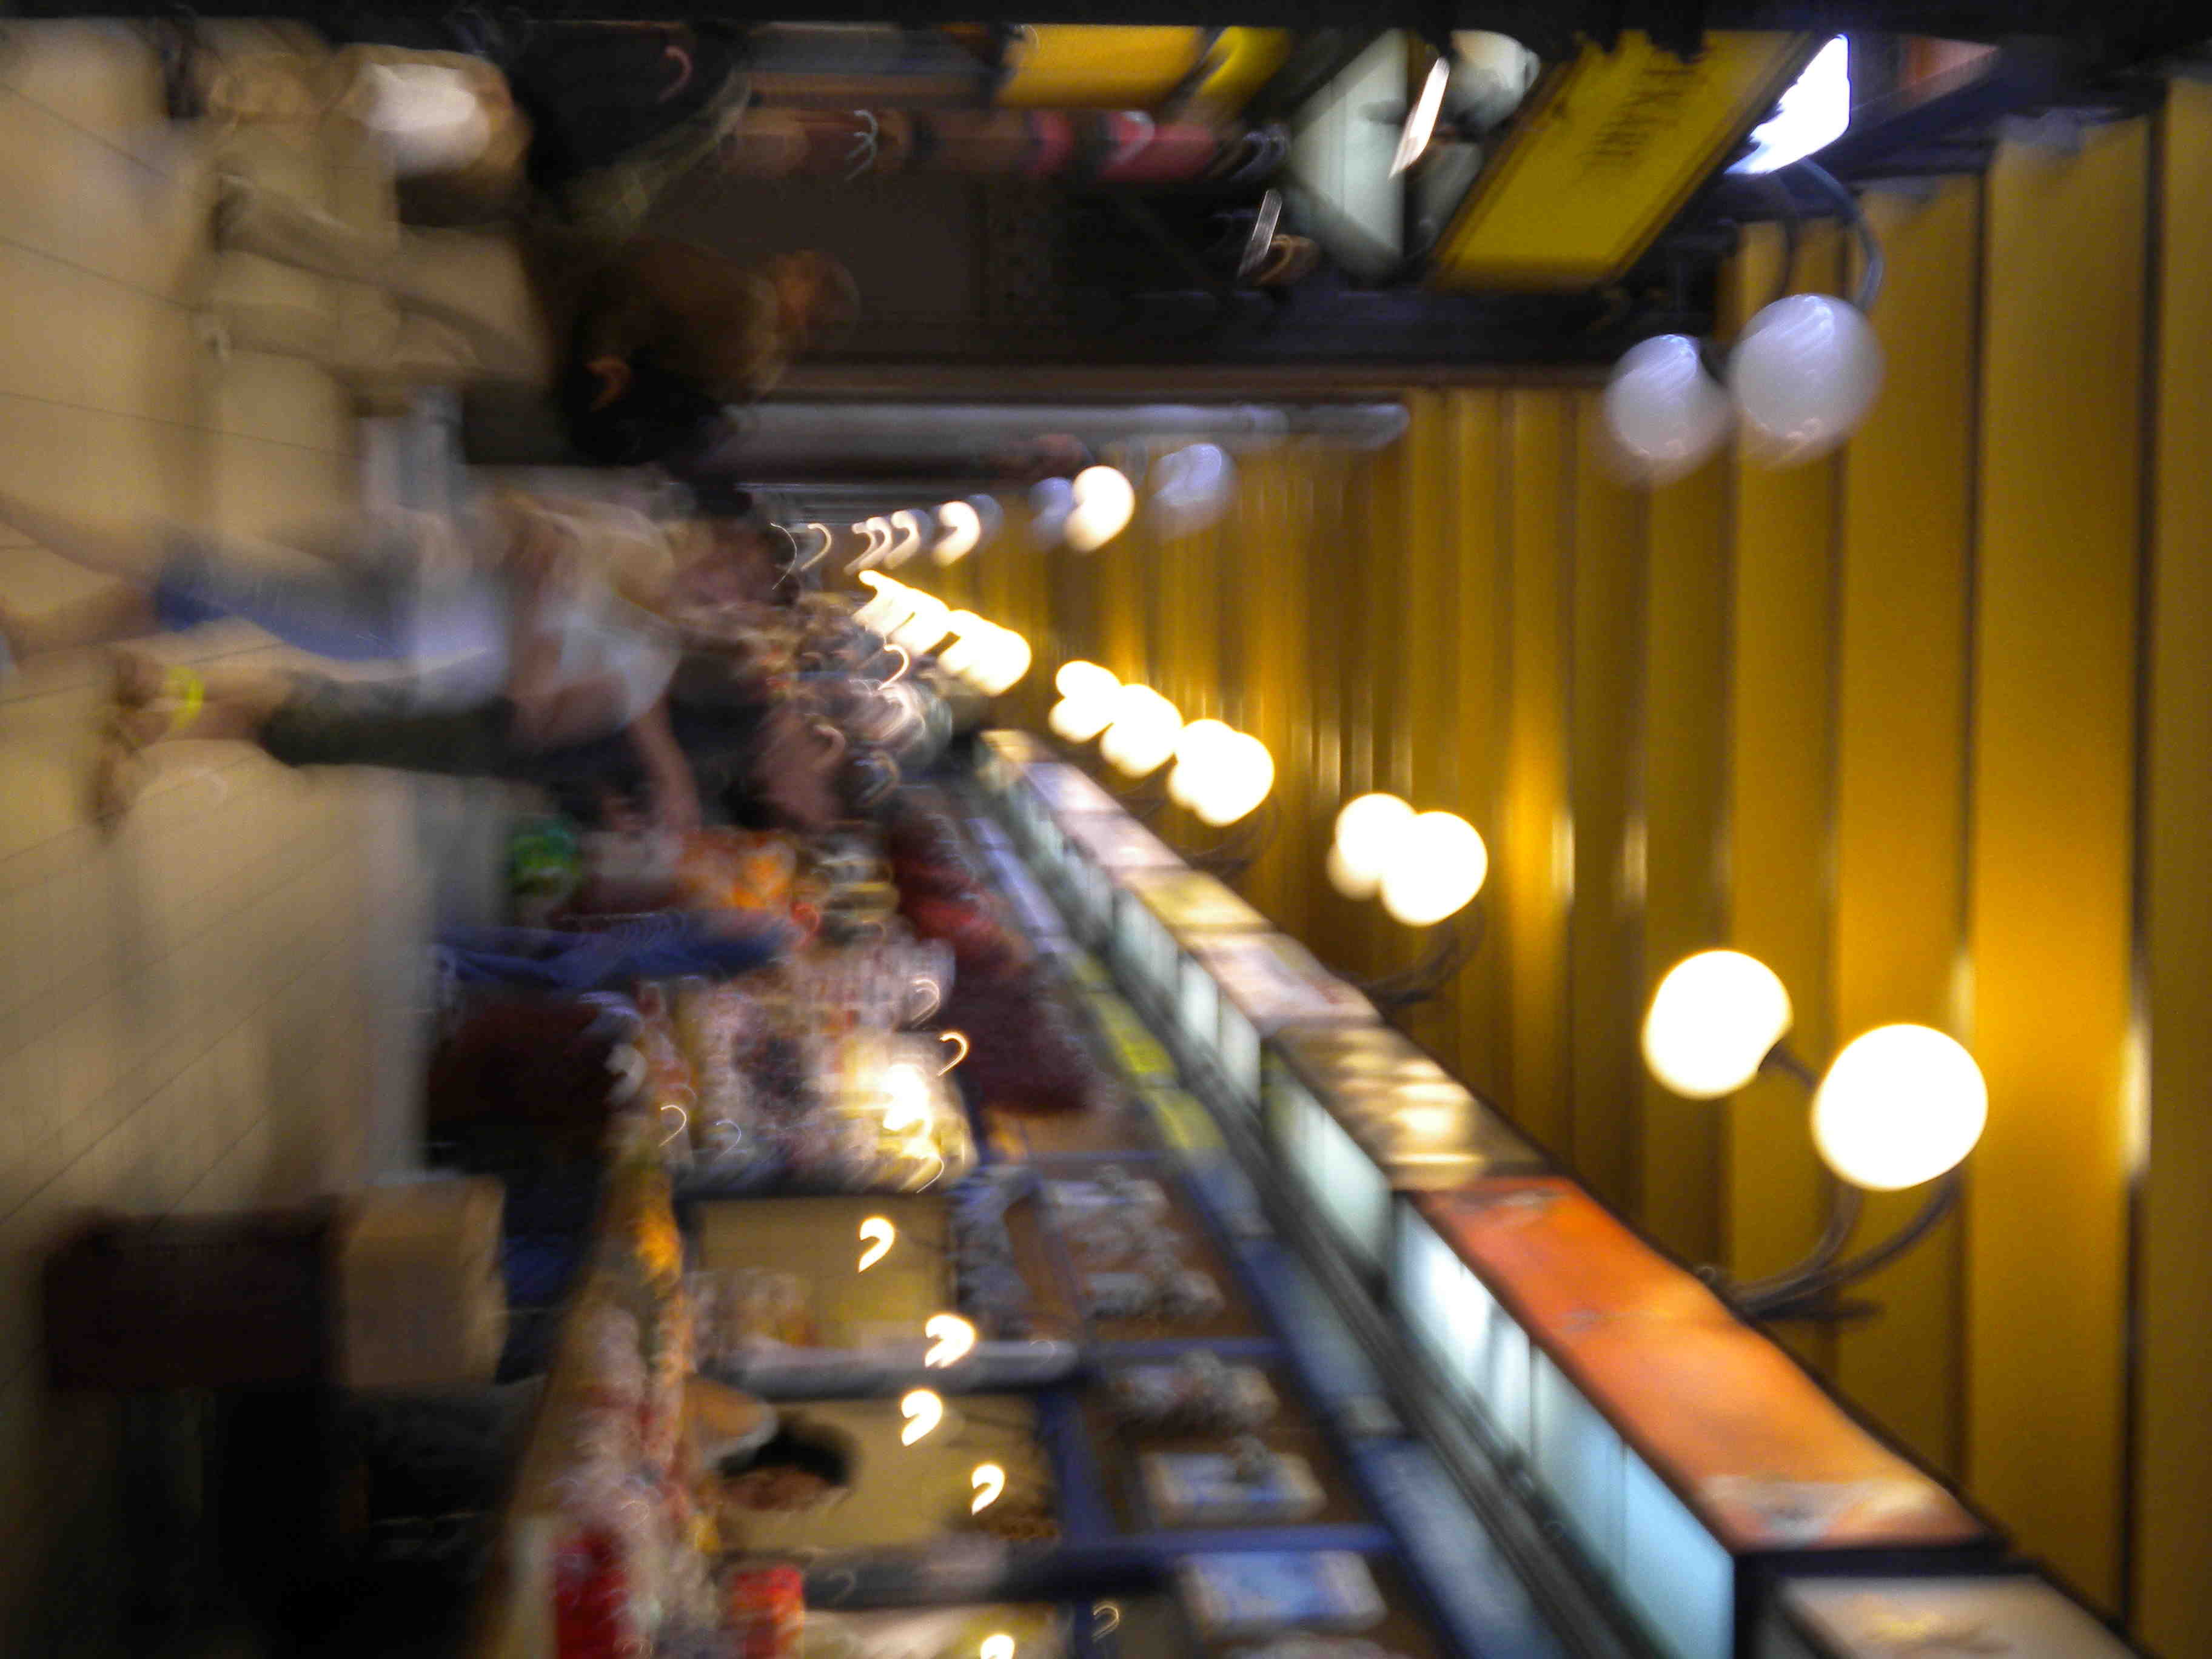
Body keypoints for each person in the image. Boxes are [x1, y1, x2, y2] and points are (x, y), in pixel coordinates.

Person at [207, 172, 857, 464]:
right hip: (544, 363)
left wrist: (605, 345)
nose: (788, 262)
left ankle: (251, 221)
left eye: (803, 270)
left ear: (807, 304)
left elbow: (640, 276)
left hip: (543, 296)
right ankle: (239, 330)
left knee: (390, 263)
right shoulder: (749, 373)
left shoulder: (747, 303)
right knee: (387, 356)